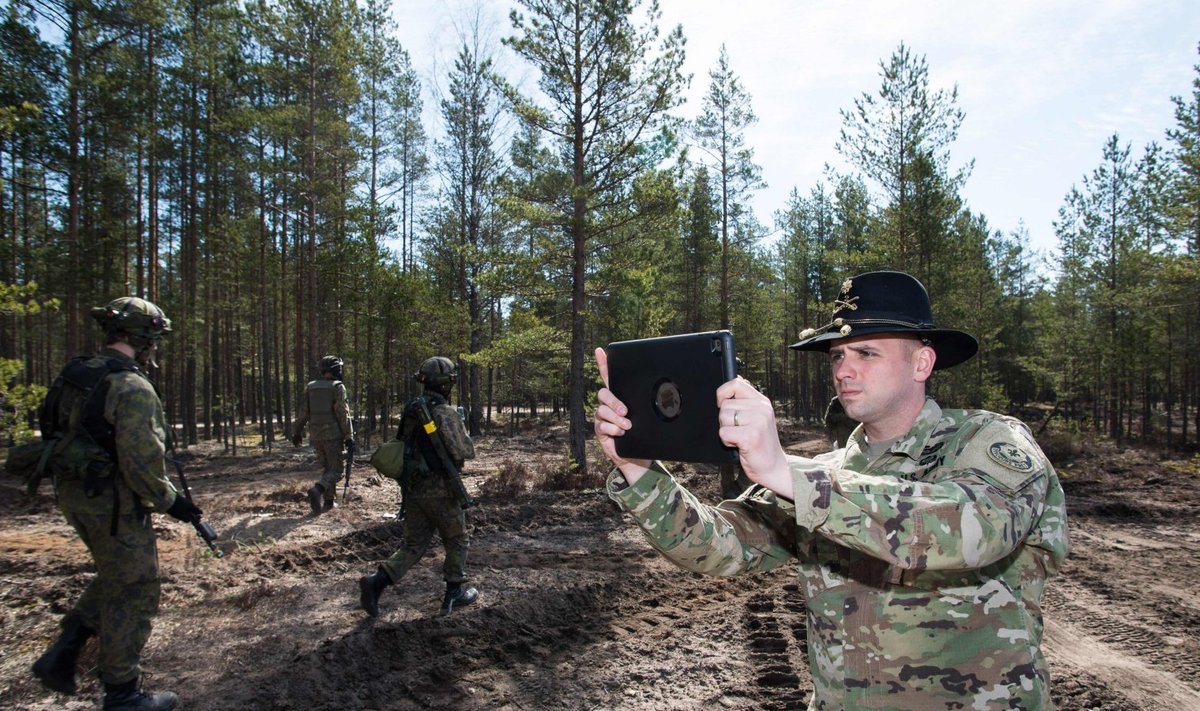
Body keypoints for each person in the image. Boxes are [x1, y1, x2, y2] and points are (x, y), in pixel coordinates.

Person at [593, 271, 1069, 710]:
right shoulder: (824, 471)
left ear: (922, 362)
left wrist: (787, 473)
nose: (844, 368)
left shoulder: (985, 441)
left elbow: (976, 527)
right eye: (838, 354)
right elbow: (719, 547)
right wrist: (637, 467)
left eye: (866, 353)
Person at [32, 296, 200, 711]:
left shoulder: (78, 374)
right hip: (113, 506)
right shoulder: (131, 386)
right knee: (137, 587)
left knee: (116, 573)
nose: (156, 347)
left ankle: (63, 654)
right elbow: (142, 462)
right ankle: (123, 693)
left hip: (75, 497)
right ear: (143, 338)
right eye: (155, 339)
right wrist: (173, 503)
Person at [359, 356, 478, 617]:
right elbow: (465, 450)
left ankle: (376, 582)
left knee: (413, 545)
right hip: (441, 489)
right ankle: (454, 592)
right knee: (457, 539)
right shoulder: (444, 412)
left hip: (413, 489)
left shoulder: (413, 409)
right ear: (448, 383)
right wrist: (462, 425)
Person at [292, 355, 354, 514]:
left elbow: (303, 412)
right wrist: (349, 436)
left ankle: (328, 502)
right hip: (333, 435)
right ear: (337, 370)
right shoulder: (338, 387)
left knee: (328, 468)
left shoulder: (311, 387)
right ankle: (317, 490)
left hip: (316, 435)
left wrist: (297, 432)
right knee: (337, 470)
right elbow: (342, 413)